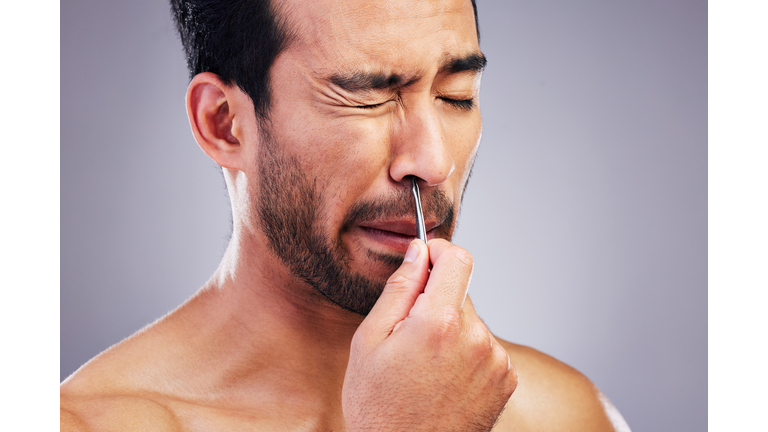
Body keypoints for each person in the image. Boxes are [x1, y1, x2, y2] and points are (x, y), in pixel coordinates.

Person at [60, 0, 631, 430]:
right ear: (224, 123)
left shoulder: (564, 414)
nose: (432, 162)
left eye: (457, 94)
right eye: (366, 96)